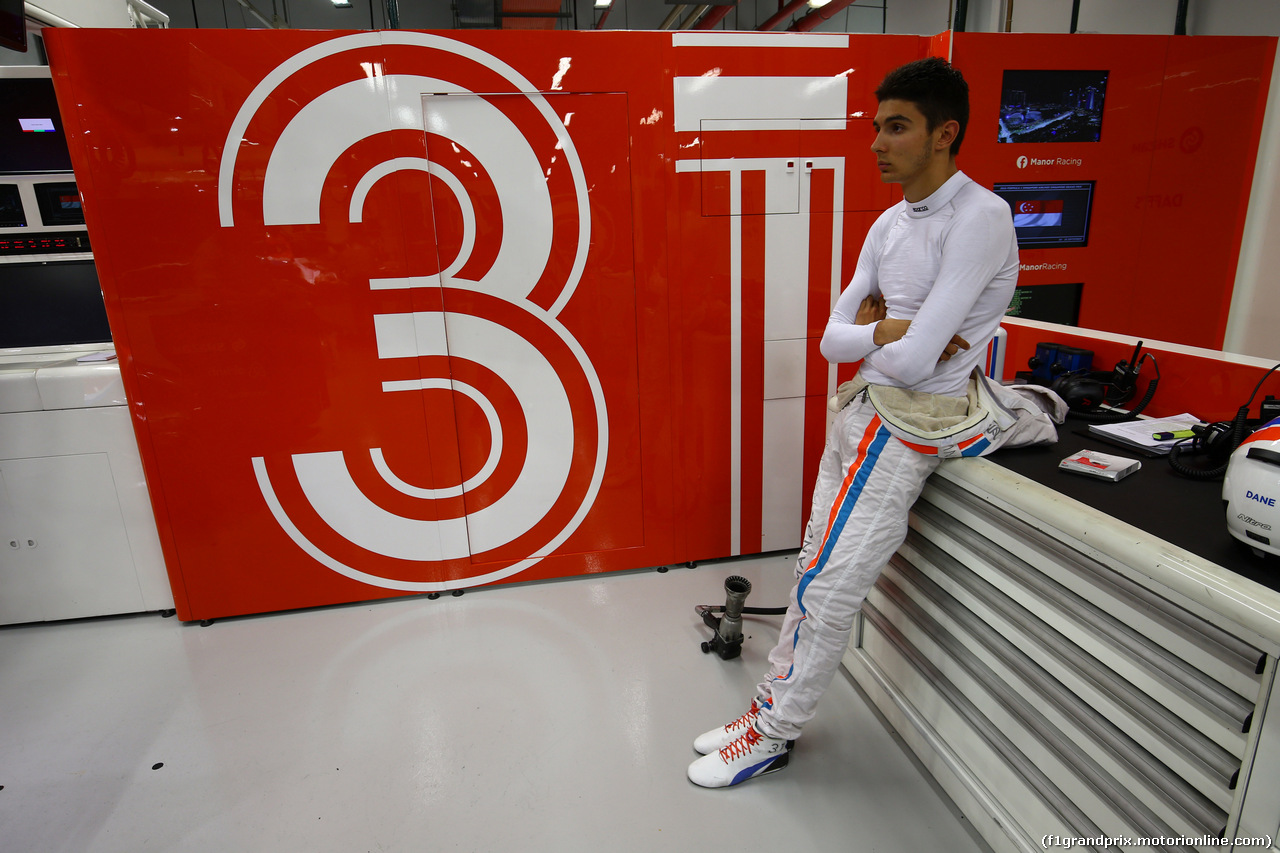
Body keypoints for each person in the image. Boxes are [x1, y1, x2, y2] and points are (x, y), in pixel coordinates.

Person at [687, 56, 1063, 789]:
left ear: (944, 134)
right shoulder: (892, 224)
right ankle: (765, 709)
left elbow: (921, 364)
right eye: (876, 126)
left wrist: (888, 335)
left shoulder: (981, 217)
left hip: (910, 427)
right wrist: (894, 330)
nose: (876, 143)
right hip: (862, 409)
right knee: (809, 572)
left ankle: (773, 731)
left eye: (897, 127)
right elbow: (832, 341)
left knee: (831, 589)